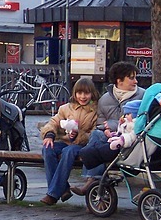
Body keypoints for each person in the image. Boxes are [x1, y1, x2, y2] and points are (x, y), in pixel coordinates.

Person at [70, 61, 145, 195]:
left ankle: (91, 181)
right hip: (110, 139)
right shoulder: (105, 99)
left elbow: (142, 121)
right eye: (132, 78)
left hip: (131, 139)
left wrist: (113, 125)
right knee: (96, 135)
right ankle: (94, 182)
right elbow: (100, 123)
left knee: (96, 141)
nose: (136, 81)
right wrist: (106, 130)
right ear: (119, 80)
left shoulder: (142, 96)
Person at [39, 77, 99, 205]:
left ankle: (53, 194)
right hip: (64, 141)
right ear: (75, 93)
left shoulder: (95, 111)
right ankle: (63, 188)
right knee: (48, 149)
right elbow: (53, 122)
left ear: (92, 94)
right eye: (79, 93)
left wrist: (80, 134)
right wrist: (49, 134)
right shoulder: (66, 108)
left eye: (86, 93)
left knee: (69, 151)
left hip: (82, 145)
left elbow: (95, 133)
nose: (82, 96)